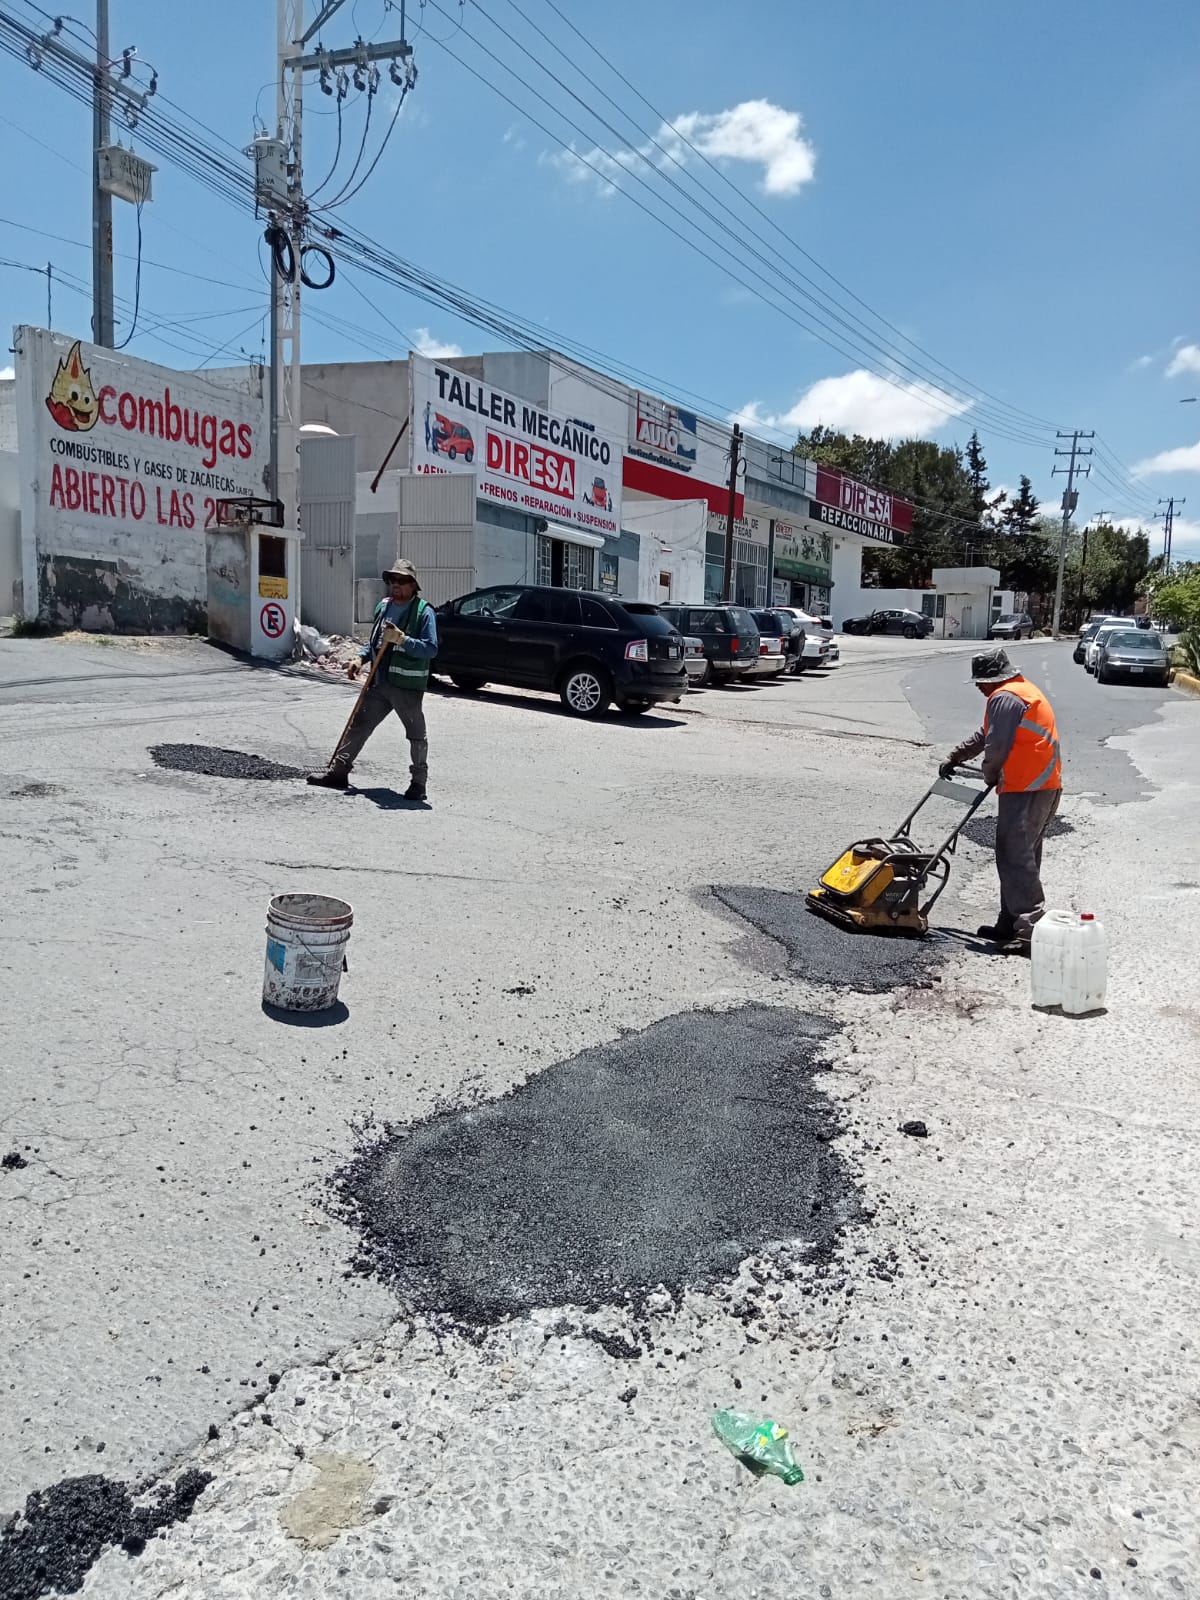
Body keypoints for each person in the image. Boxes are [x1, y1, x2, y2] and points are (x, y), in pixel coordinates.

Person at [940, 647, 1062, 954]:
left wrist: (989, 773)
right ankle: (1009, 923)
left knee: (1015, 857)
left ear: (995, 677)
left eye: (981, 680)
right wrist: (958, 755)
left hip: (1027, 788)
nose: (979, 686)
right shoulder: (1019, 691)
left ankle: (1030, 931)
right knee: (1022, 856)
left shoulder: (1004, 697)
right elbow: (987, 734)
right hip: (1042, 785)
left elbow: (995, 749)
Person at [307, 558, 438, 802]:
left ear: (413, 585)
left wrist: (403, 639)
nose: (395, 584)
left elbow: (431, 649)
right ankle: (338, 772)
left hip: (406, 687)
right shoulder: (384, 606)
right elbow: (374, 642)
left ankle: (419, 783)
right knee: (359, 724)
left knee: (416, 734)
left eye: (401, 580)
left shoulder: (423, 612)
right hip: (379, 682)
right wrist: (360, 659)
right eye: (392, 580)